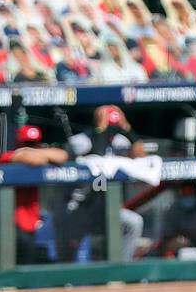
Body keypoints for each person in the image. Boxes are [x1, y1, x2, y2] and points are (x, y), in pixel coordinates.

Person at [60, 105, 145, 263]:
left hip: (104, 208)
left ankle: (121, 269)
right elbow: (97, 158)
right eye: (110, 129)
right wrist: (100, 130)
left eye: (115, 129)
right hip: (77, 208)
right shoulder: (82, 141)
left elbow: (141, 155)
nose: (112, 134)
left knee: (134, 222)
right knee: (67, 254)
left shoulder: (119, 140)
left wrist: (127, 128)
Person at [0, 124, 70, 264]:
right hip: (9, 222)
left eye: (34, 143)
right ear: (18, 143)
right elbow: (33, 159)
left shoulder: (38, 153)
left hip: (29, 221)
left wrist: (36, 151)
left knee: (26, 264)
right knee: (10, 265)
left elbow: (62, 155)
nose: (31, 147)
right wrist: (37, 153)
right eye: (27, 143)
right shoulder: (6, 157)